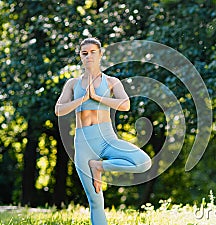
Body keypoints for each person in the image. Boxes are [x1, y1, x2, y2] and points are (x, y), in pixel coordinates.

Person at [55, 37, 152, 225]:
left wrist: (97, 98)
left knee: (143, 162)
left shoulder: (111, 82)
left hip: (107, 139)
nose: (88, 56)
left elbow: (125, 104)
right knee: (96, 200)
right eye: (84, 53)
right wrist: (82, 100)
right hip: (83, 143)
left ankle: (98, 166)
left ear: (100, 55)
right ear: (80, 57)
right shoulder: (72, 84)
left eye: (93, 52)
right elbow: (59, 110)